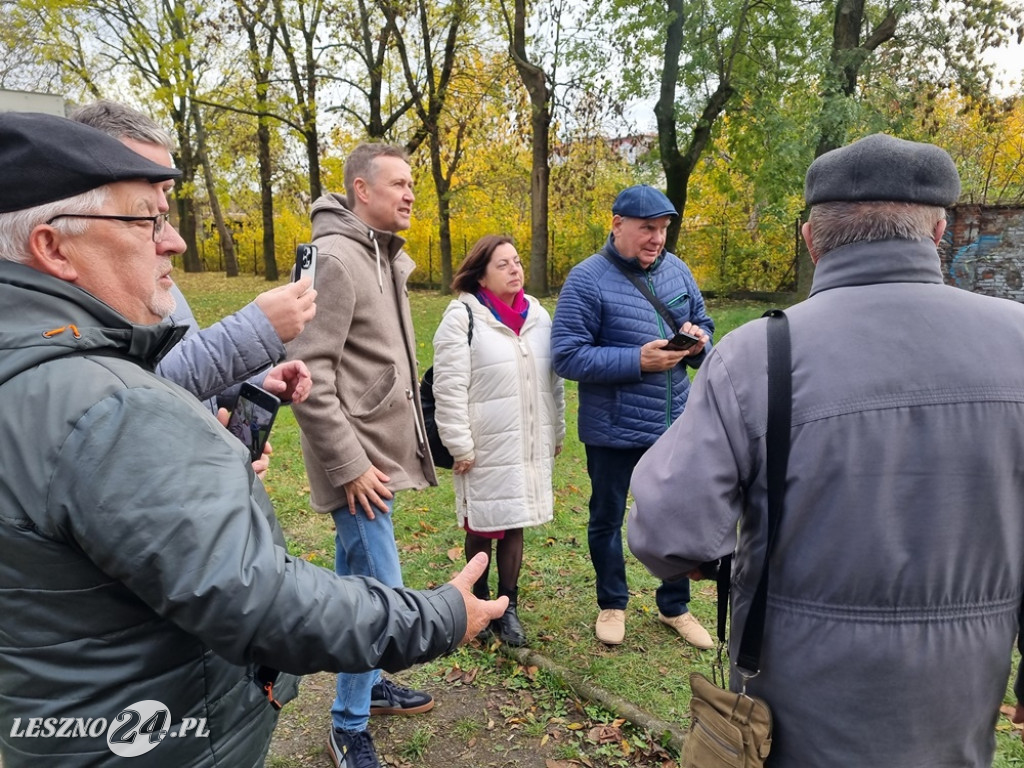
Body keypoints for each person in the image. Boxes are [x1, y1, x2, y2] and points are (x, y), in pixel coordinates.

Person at [0, 111, 507, 768]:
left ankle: (365, 694)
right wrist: (435, 614)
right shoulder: (106, 401)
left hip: (88, 718)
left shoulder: (41, 369)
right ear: (54, 248)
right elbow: (260, 600)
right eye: (145, 220)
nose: (175, 242)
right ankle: (352, 718)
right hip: (166, 736)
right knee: (376, 576)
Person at [627, 133, 1024, 767]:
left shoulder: (759, 355)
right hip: (960, 701)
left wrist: (724, 563)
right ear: (941, 231)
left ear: (811, 240)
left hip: (798, 705)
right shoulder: (1018, 342)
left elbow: (666, 530)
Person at [284, 143, 438, 768]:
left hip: (379, 456)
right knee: (383, 598)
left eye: (412, 184)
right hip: (359, 467)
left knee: (357, 580)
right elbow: (308, 373)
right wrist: (348, 464)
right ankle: (347, 724)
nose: (409, 194)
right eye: (397, 183)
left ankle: (367, 689)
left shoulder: (378, 253)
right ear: (360, 190)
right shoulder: (338, 260)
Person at [70, 99, 317, 413]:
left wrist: (255, 383)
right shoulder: (77, 299)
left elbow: (178, 371)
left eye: (165, 200)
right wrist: (257, 329)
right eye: (141, 210)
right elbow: (134, 397)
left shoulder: (154, 272)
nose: (175, 242)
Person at [551, 185, 715, 649]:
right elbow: (566, 357)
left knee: (675, 516)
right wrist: (636, 361)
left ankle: (674, 606)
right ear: (617, 224)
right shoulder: (586, 279)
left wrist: (699, 341)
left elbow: (703, 324)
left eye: (663, 229)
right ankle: (612, 602)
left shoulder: (678, 270)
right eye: (647, 228)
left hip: (673, 423)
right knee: (607, 516)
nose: (657, 238)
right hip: (613, 428)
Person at [431, 235, 566, 647]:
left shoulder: (539, 316)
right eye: (503, 264)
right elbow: (449, 387)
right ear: (482, 274)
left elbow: (553, 384)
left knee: (513, 522)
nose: (515, 269)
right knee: (482, 525)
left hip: (525, 443)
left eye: (518, 261)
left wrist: (555, 431)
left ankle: (507, 608)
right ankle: (476, 600)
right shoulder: (462, 317)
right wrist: (460, 445)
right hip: (484, 444)